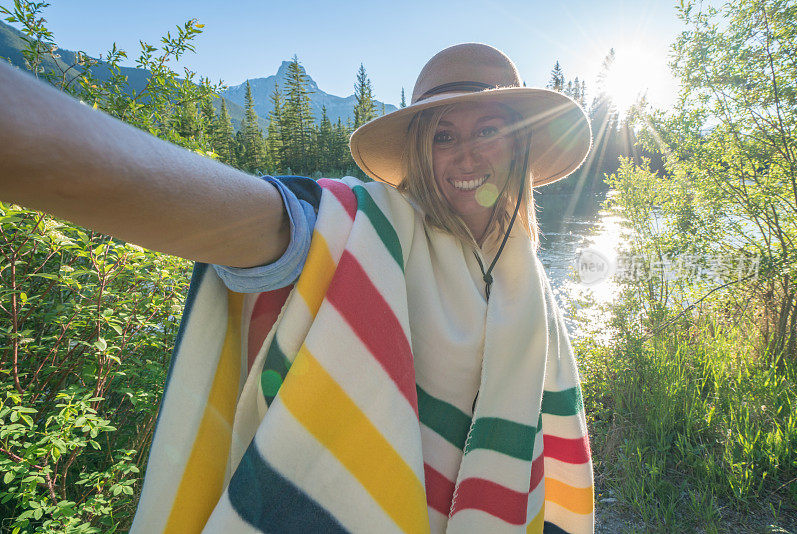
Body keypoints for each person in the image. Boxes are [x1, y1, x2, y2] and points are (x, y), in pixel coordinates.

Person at [0, 43, 593, 533]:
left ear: (518, 145)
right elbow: (266, 225)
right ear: (418, 151)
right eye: (442, 135)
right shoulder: (369, 229)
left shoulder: (524, 273)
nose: (464, 154)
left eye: (487, 129)